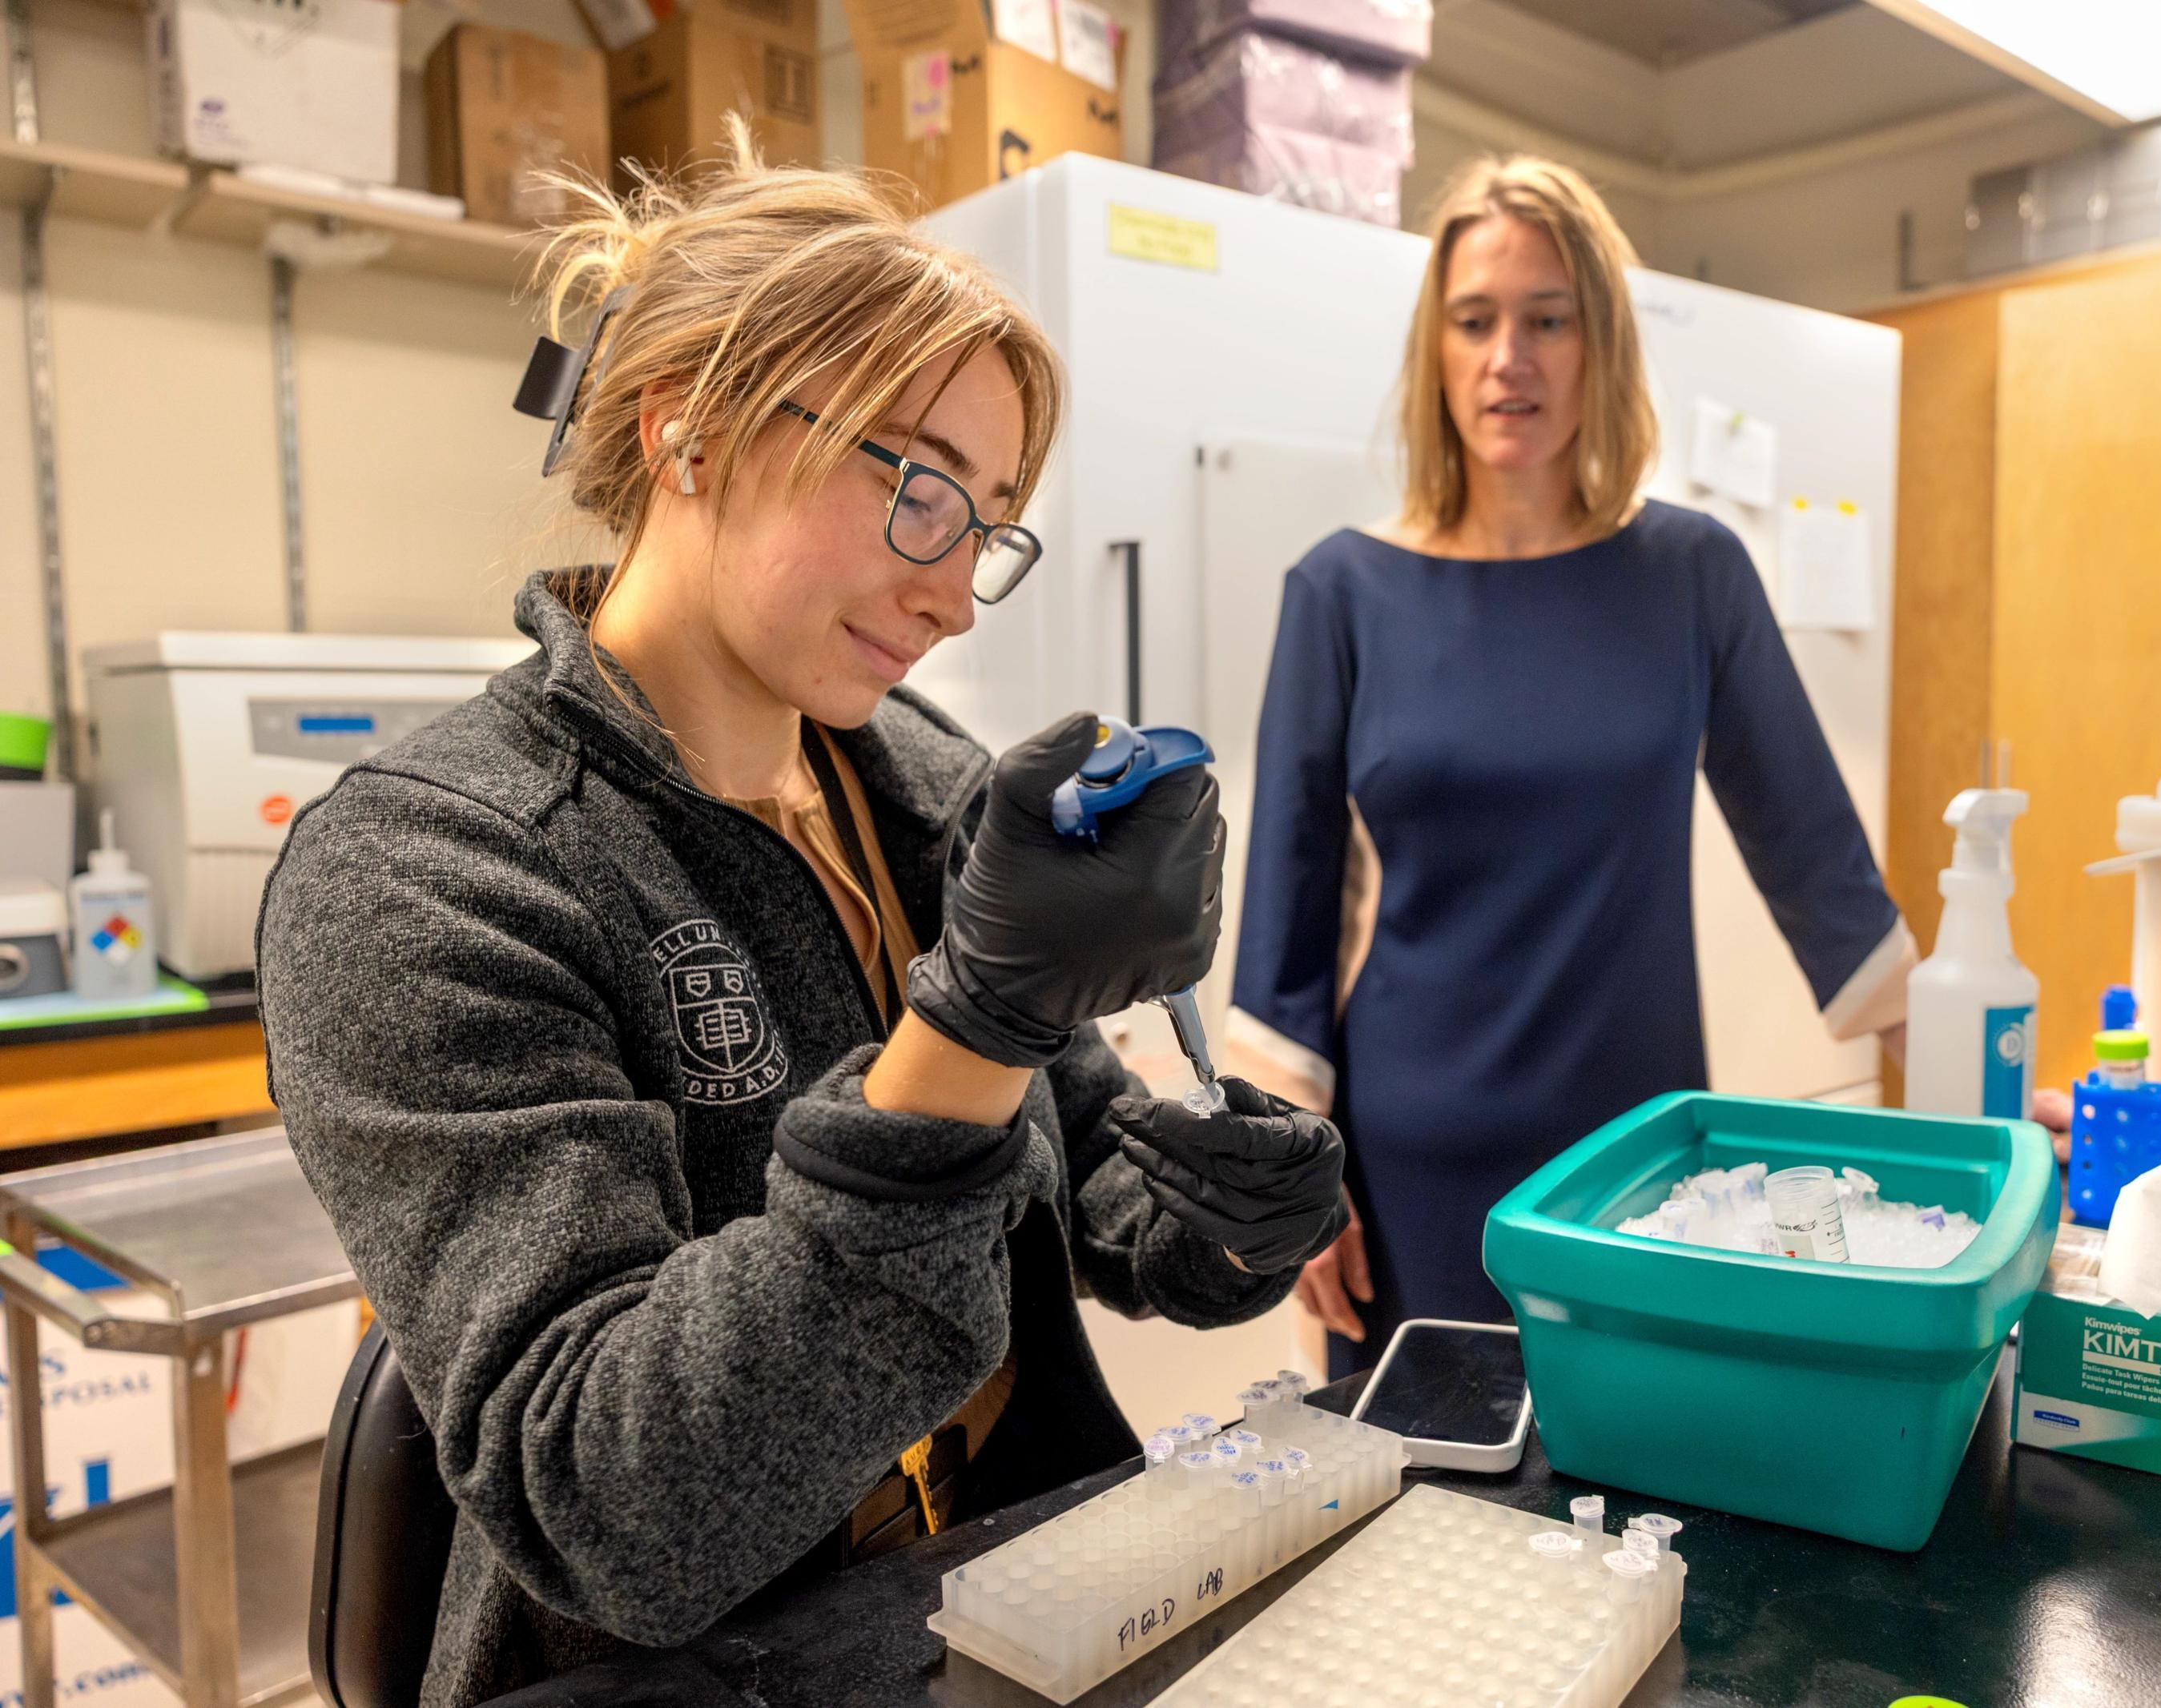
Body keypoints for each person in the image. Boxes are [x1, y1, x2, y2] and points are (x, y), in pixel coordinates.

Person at [256, 134, 1348, 1708]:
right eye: (910, 483)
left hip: (1024, 1595)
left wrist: (1214, 1211)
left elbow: (1078, 1163)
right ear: (686, 427)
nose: (954, 589)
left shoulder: (925, 778)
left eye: (985, 520)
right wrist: (968, 1025)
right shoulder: (435, 867)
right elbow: (623, 1509)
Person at [1226, 156, 1915, 1376]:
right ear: (1435, 352)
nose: (1512, 357)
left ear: (1601, 345)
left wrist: (1979, 1072)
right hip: (1410, 1180)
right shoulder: (1342, 590)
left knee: (1633, 1523)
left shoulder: (1692, 575)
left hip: (1643, 1171)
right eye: (1476, 320)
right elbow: (1284, 925)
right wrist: (1292, 1177)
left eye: (1551, 319)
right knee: (1420, 1532)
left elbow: (1818, 861)